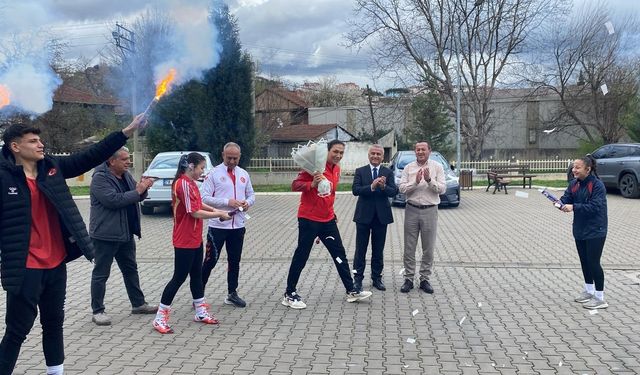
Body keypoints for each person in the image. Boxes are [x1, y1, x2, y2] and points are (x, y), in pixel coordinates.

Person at [0, 114, 147, 375]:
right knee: (17, 331)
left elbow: (90, 156)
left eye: (40, 140)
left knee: (54, 324)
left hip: (56, 263)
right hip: (25, 267)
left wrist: (126, 131)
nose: (40, 144)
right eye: (33, 141)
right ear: (15, 147)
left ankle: (55, 372)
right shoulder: (4, 177)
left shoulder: (52, 167)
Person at [282, 139, 373, 309]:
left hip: (328, 219)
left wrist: (332, 211)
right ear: (327, 151)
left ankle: (351, 290)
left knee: (339, 255)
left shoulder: (336, 169)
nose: (338, 155)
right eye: (335, 152)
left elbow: (330, 193)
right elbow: (295, 185)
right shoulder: (314, 167)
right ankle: (289, 293)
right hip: (308, 219)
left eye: (341, 153)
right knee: (302, 255)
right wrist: (312, 184)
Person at [152, 153, 231, 334]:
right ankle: (160, 317)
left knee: (196, 275)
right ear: (191, 167)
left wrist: (217, 209)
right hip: (184, 239)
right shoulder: (182, 184)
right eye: (201, 167)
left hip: (195, 237)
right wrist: (219, 215)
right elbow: (194, 212)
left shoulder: (192, 184)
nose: (203, 171)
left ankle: (200, 312)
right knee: (179, 277)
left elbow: (200, 204)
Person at [88, 146, 158, 326]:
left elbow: (136, 195)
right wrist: (138, 190)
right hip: (105, 235)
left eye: (129, 158)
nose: (129, 162)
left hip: (125, 233)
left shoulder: (125, 174)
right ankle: (98, 311)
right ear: (112, 161)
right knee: (101, 274)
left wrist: (145, 188)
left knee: (130, 270)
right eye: (125, 159)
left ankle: (138, 304)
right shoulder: (99, 179)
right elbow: (114, 201)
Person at [201, 142, 255, 308]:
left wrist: (247, 203)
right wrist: (227, 202)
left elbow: (252, 194)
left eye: (235, 158)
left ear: (239, 157)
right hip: (218, 226)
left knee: (234, 261)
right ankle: (198, 294)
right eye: (229, 157)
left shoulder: (243, 174)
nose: (232, 161)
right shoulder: (214, 174)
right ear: (223, 155)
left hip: (238, 226)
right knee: (210, 261)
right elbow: (203, 197)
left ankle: (232, 293)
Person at [558, 155, 609, 309]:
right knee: (584, 261)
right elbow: (567, 198)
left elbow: (595, 207)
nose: (574, 170)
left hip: (596, 229)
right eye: (573, 167)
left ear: (588, 169)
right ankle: (589, 290)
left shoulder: (597, 185)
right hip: (579, 229)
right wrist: (560, 203)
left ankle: (600, 298)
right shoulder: (574, 184)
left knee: (594, 262)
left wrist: (574, 207)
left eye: (577, 167)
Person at [398, 141, 446, 294]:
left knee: (428, 248)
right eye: (417, 149)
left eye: (423, 149)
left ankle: (425, 279)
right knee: (409, 247)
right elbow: (402, 188)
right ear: (415, 151)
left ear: (429, 151)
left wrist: (430, 180)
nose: (420, 152)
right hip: (411, 209)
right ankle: (409, 278)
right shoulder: (408, 168)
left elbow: (442, 189)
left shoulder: (437, 167)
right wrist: (416, 182)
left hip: (430, 210)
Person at [351, 144, 397, 292]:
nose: (375, 156)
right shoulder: (360, 171)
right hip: (363, 216)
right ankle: (357, 279)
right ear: (369, 155)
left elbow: (393, 192)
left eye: (378, 154)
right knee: (360, 250)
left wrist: (383, 187)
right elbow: (355, 190)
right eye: (373, 154)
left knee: (378, 250)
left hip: (381, 217)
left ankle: (377, 278)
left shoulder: (387, 172)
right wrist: (371, 186)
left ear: (383, 157)